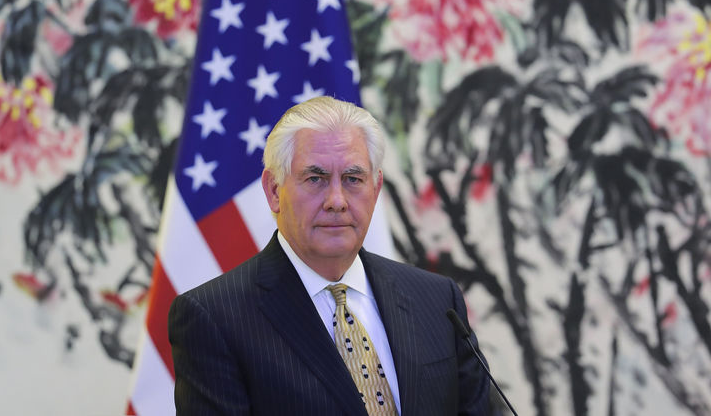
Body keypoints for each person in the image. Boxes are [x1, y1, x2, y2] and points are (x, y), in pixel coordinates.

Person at [168, 96, 491, 415]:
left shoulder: (437, 300)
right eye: (316, 179)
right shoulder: (213, 319)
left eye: (353, 179)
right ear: (274, 191)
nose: (336, 200)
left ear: (375, 189)